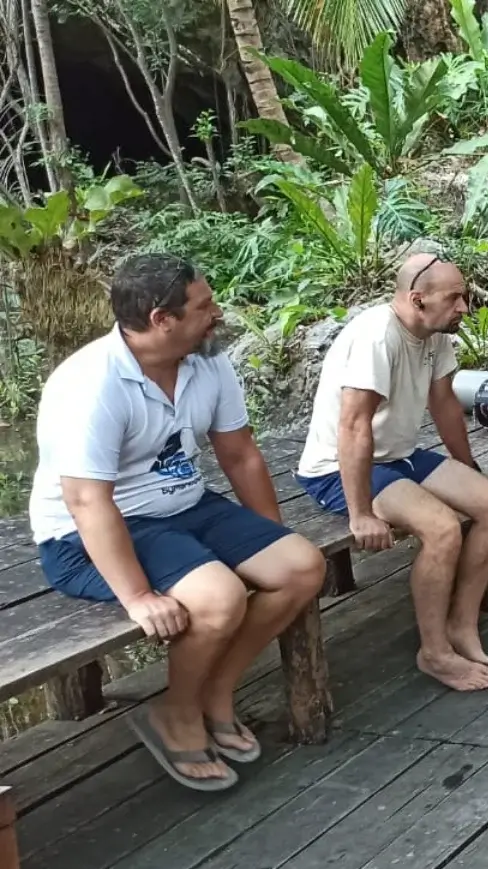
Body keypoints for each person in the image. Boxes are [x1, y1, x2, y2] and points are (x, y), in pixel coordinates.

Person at [30, 254, 328, 791]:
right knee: (219, 597)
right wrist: (140, 597)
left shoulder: (206, 359)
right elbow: (87, 502)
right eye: (204, 305)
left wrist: (269, 537)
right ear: (159, 318)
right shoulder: (90, 384)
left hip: (185, 504)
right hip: (89, 533)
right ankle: (177, 712)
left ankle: (214, 692)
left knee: (301, 567)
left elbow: (240, 455)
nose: (217, 312)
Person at [295, 253, 488, 694]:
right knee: (442, 528)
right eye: (455, 298)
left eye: (465, 296)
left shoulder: (435, 335)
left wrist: (467, 467)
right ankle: (433, 652)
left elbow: (446, 405)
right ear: (418, 299)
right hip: (337, 468)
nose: (464, 307)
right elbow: (354, 425)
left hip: (397, 455)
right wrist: (360, 513)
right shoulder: (378, 337)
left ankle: (461, 624)